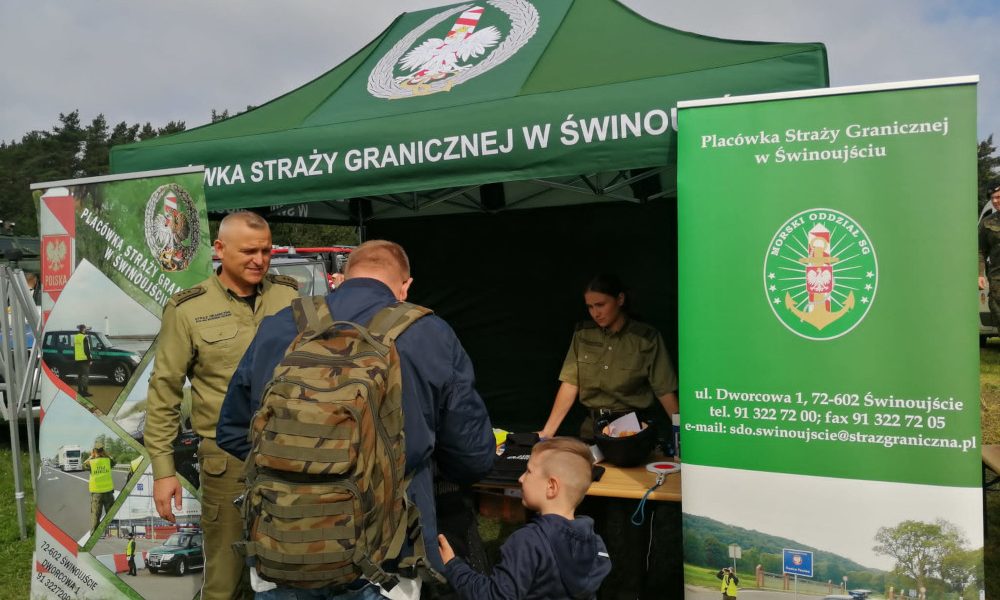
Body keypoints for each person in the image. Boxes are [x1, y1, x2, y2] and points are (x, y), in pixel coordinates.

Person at [217, 239, 496, 600]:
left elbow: (232, 431)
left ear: (342, 277)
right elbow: (472, 456)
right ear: (405, 286)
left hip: (281, 544)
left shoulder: (279, 326)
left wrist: (300, 470)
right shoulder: (430, 333)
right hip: (385, 558)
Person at [144, 211, 298, 600]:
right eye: (249, 251)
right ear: (219, 249)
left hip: (290, 454)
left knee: (292, 571)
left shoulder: (290, 297)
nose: (259, 260)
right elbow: (164, 391)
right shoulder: (188, 309)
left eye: (266, 251)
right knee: (225, 579)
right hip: (227, 458)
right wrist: (163, 470)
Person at [438, 437, 611, 600]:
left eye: (528, 471)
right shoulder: (596, 543)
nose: (520, 478)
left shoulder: (528, 542)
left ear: (551, 487)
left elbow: (494, 596)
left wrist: (453, 566)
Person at [539, 274, 679, 441]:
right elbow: (570, 382)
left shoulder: (646, 338)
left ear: (620, 299)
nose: (595, 313)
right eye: (590, 307)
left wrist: (683, 434)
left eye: (600, 305)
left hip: (632, 429)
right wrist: (547, 432)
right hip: (592, 428)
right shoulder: (583, 334)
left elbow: (665, 390)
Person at [83, 439, 116, 537]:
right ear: (103, 451)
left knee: (95, 516)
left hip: (97, 493)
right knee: (111, 514)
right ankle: (112, 533)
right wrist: (106, 454)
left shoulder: (91, 462)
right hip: (108, 493)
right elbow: (114, 462)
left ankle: (94, 535)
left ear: (94, 451)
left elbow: (83, 465)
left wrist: (91, 456)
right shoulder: (108, 461)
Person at [979, 184, 1000, 328]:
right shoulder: (987, 223)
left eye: (998, 197)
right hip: (997, 279)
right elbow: (980, 251)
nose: (995, 201)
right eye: (993, 198)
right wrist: (980, 274)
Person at [74, 324, 93, 397]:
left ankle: (79, 391)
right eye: (85, 329)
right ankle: (85, 392)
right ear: (83, 329)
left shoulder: (76, 337)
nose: (86, 330)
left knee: (80, 376)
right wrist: (90, 359)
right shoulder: (84, 337)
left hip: (78, 359)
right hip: (84, 360)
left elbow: (76, 348)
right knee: (85, 376)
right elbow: (86, 349)